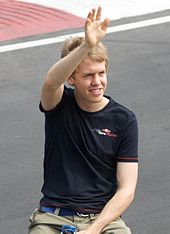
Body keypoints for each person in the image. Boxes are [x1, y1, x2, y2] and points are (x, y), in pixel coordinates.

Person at [27, 6, 138, 234]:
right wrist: (86, 45)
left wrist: (94, 229)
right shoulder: (58, 105)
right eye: (88, 75)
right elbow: (50, 82)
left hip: (103, 219)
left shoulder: (124, 120)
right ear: (71, 78)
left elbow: (126, 190)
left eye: (101, 73)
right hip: (52, 216)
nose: (97, 81)